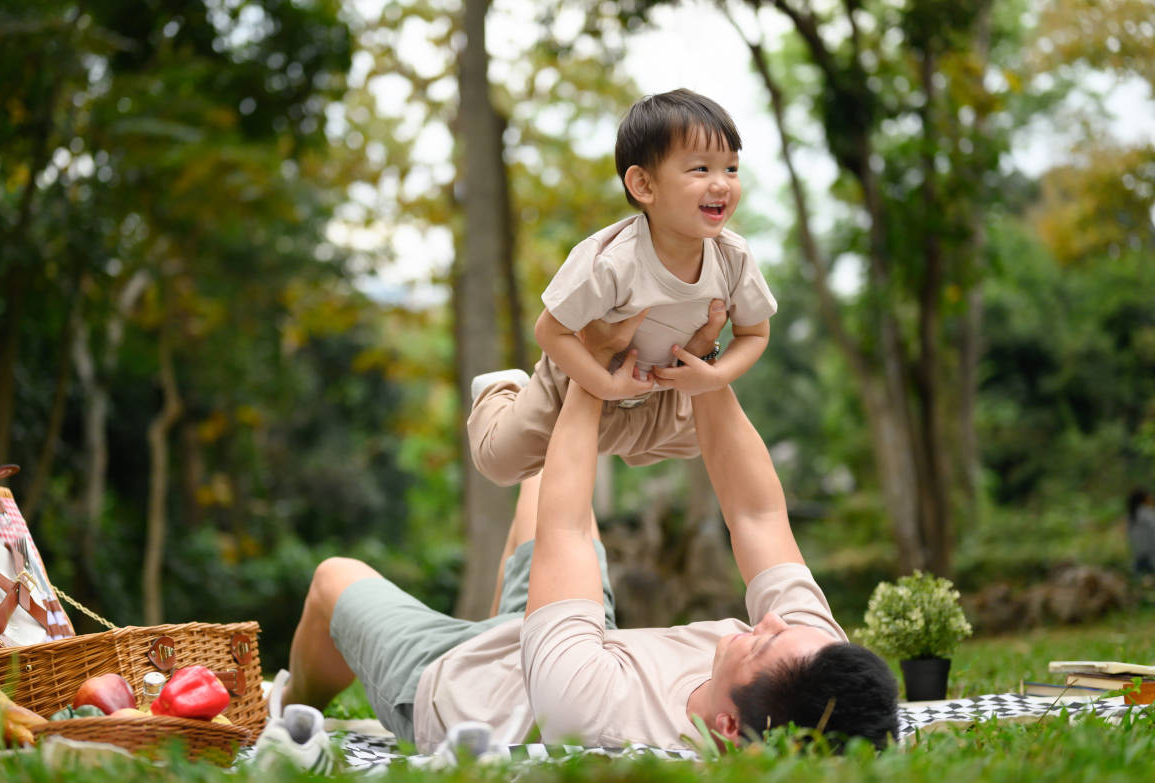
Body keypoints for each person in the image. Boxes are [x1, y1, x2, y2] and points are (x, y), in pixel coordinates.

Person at [283, 315, 899, 754]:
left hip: (459, 685)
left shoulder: (599, 718)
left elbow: (570, 531)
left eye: (760, 646)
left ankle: (284, 709)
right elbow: (758, 515)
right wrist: (704, 364)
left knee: (334, 579)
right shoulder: (813, 664)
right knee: (540, 472)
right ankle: (516, 406)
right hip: (578, 634)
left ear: (729, 728)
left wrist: (587, 374)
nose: (763, 625)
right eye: (779, 630)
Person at [467, 88, 778, 487]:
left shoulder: (733, 257)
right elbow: (550, 330)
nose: (721, 184)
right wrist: (604, 385)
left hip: (661, 388)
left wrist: (714, 377)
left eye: (731, 169)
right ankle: (500, 388)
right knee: (500, 464)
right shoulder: (611, 260)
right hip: (579, 382)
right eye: (701, 169)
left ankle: (635, 440)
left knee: (703, 440)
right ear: (644, 185)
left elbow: (755, 333)